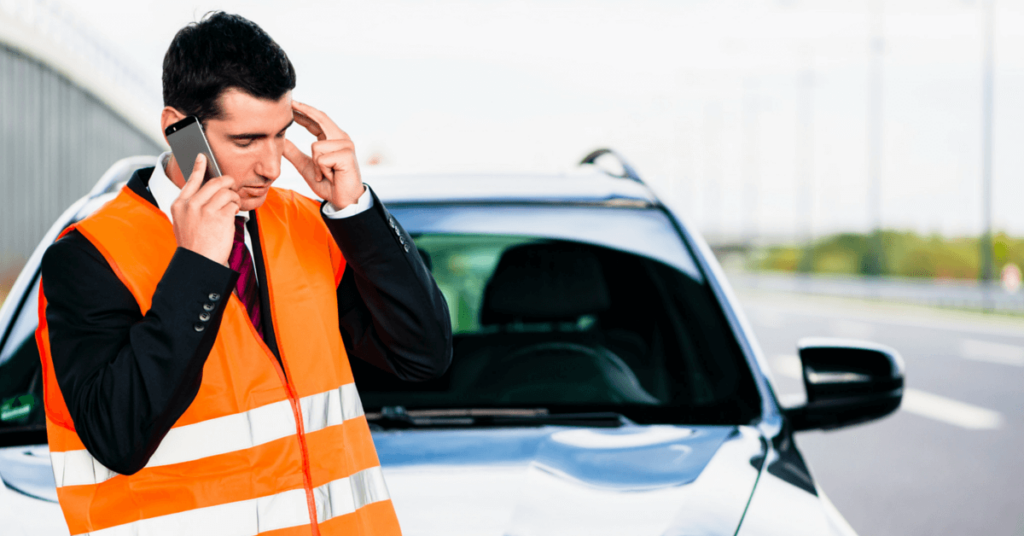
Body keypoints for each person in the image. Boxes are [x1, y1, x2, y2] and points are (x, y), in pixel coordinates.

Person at [35, 12, 451, 536]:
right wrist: (198, 267)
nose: (272, 166)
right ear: (176, 129)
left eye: (280, 136)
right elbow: (119, 437)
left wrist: (355, 212)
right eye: (247, 140)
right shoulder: (90, 254)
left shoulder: (305, 224)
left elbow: (424, 356)